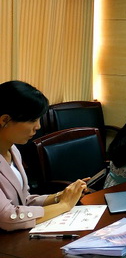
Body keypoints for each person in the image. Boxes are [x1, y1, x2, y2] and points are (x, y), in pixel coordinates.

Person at [0, 81, 87, 231]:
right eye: (32, 120)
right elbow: (8, 217)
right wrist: (64, 205)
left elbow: (24, 201)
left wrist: (61, 196)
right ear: (4, 120)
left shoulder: (13, 150)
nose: (38, 126)